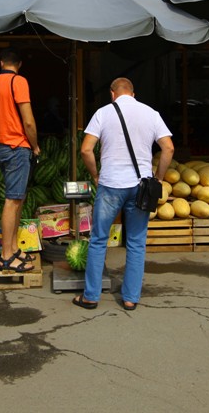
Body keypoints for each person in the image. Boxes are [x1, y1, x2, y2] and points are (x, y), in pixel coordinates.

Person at [73, 77, 174, 311]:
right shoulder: (150, 113)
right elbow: (168, 147)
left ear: (112, 94)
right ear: (133, 93)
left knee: (98, 240)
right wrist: (158, 178)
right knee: (136, 242)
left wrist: (96, 175)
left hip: (110, 185)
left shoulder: (102, 113)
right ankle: (130, 298)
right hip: (140, 187)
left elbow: (86, 149)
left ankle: (90, 296)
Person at [0, 48, 41, 272]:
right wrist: (35, 145)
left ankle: (14, 247)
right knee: (13, 200)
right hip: (16, 145)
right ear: (19, 64)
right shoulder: (18, 82)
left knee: (18, 198)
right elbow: (28, 121)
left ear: (1, 63)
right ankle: (7, 256)